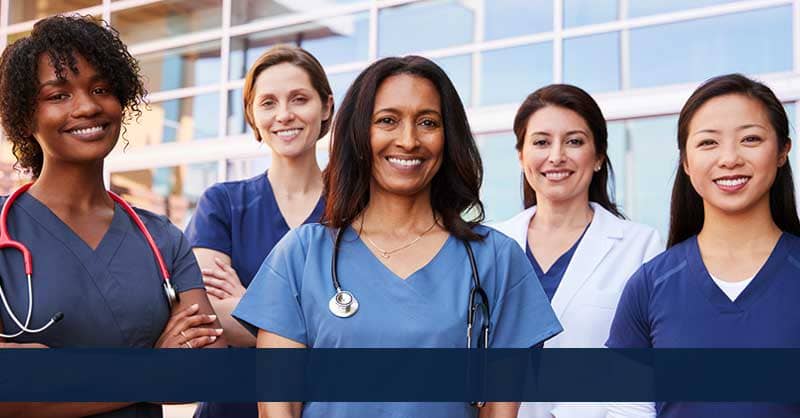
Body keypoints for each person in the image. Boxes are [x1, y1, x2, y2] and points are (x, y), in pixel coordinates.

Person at [232, 55, 563, 418]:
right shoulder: (301, 256)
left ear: (447, 137)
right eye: (387, 120)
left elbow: (499, 413)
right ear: (359, 133)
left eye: (427, 122)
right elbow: (279, 410)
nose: (408, 140)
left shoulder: (496, 260)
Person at [0, 15, 225, 418]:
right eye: (58, 95)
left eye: (101, 89)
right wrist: (152, 371)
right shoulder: (5, 229)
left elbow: (206, 372)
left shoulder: (162, 240)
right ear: (25, 116)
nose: (86, 106)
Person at [606, 74, 800, 417]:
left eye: (750, 139)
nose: (729, 158)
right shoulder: (650, 285)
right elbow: (627, 407)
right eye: (708, 143)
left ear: (783, 150)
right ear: (685, 161)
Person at [491, 84, 662, 418]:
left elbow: (646, 379)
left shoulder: (641, 247)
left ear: (598, 156)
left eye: (574, 141)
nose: (556, 156)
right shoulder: (488, 245)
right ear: (521, 155)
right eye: (541, 142)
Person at [184, 44, 332, 418]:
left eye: (299, 99)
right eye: (268, 102)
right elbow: (204, 317)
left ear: (326, 107)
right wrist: (309, 322)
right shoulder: (223, 205)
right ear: (251, 113)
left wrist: (249, 304)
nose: (284, 115)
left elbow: (362, 332)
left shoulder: (353, 212)